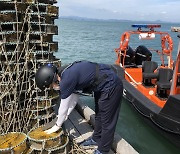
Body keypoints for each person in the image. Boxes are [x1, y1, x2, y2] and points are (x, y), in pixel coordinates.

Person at [35, 61, 123, 154]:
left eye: (51, 86)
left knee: (107, 121)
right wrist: (66, 115)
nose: (52, 88)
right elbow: (74, 98)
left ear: (52, 79)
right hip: (100, 86)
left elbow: (63, 106)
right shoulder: (62, 73)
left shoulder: (66, 80)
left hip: (111, 84)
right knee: (99, 115)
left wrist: (57, 125)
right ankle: (96, 139)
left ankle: (103, 150)